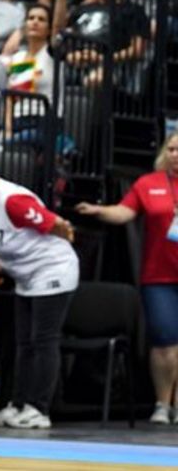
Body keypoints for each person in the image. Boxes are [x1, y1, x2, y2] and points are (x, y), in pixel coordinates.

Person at [0, 154, 77, 429]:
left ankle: (39, 408)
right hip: (26, 277)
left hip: (52, 271)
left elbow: (58, 225)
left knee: (44, 340)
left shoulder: (12, 201)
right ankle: (18, 404)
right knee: (24, 343)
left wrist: (43, 253)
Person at [75, 132, 178, 424]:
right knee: (164, 340)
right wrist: (98, 210)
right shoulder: (149, 183)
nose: (174, 154)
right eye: (170, 149)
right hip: (159, 277)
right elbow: (124, 212)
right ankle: (162, 403)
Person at [1, 3, 55, 103]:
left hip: (45, 115)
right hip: (18, 115)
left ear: (49, 30)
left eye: (41, 19)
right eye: (31, 18)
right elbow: (11, 95)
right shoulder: (18, 57)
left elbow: (59, 26)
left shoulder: (52, 52)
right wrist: (8, 119)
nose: (35, 22)